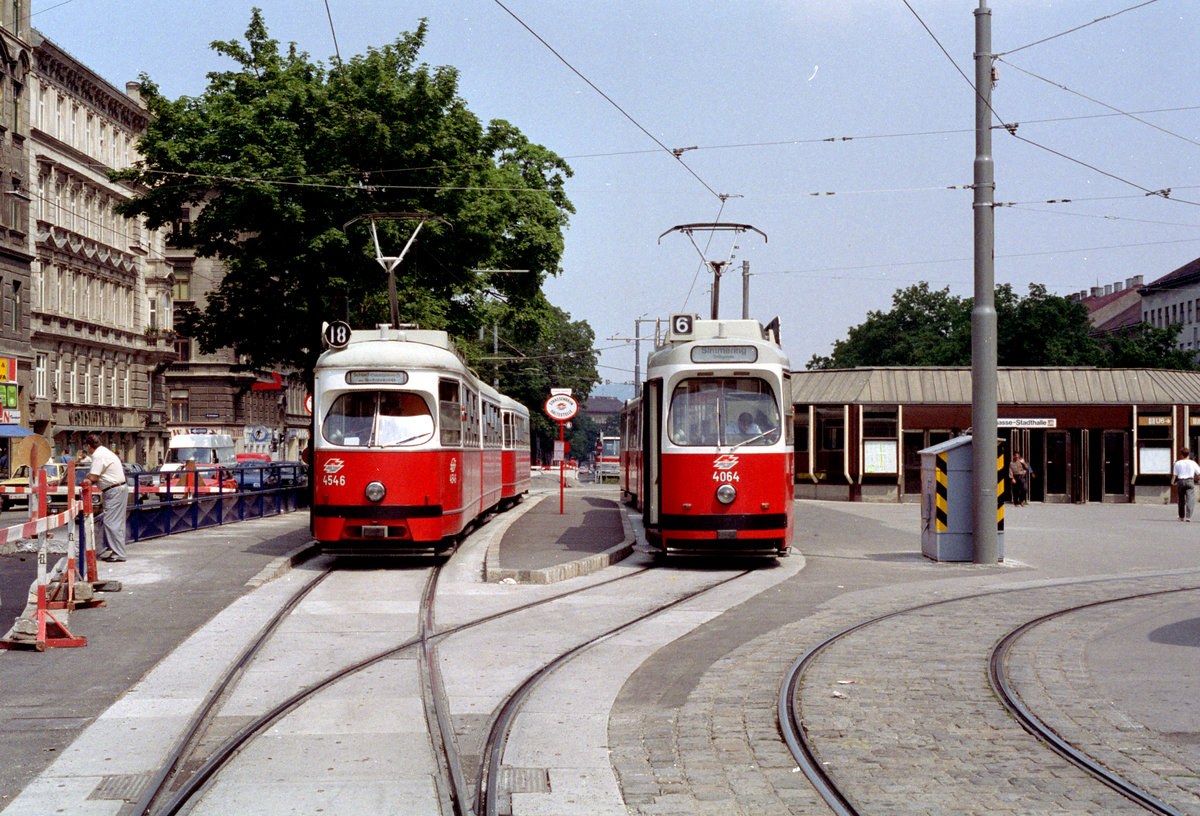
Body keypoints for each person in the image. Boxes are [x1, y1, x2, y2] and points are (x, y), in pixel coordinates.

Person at [79, 433, 128, 561]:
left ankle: (119, 554)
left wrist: (87, 476)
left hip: (114, 490)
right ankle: (117, 551)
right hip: (119, 488)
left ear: (89, 446)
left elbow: (94, 476)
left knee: (111, 522)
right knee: (117, 522)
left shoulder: (98, 455)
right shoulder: (105, 451)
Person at [1172, 448, 1200, 522]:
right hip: (1190, 480)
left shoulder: (1177, 463)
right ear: (1188, 454)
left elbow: (1175, 475)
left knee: (1181, 500)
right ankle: (1188, 516)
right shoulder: (1192, 463)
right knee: (1190, 499)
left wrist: (1172, 482)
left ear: (1181, 454)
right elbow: (1199, 473)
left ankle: (1181, 516)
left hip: (1180, 481)